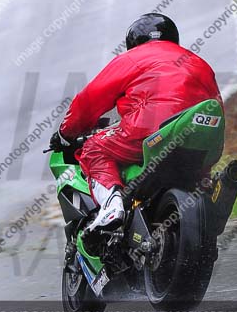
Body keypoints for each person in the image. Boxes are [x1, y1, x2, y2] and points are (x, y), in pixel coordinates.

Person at [49, 13, 223, 233]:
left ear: (134, 43)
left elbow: (89, 100)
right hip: (206, 134)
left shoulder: (132, 58)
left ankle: (112, 205)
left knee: (94, 148)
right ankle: (207, 190)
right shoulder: (200, 62)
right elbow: (217, 102)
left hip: (149, 129)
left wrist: (66, 134)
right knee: (200, 170)